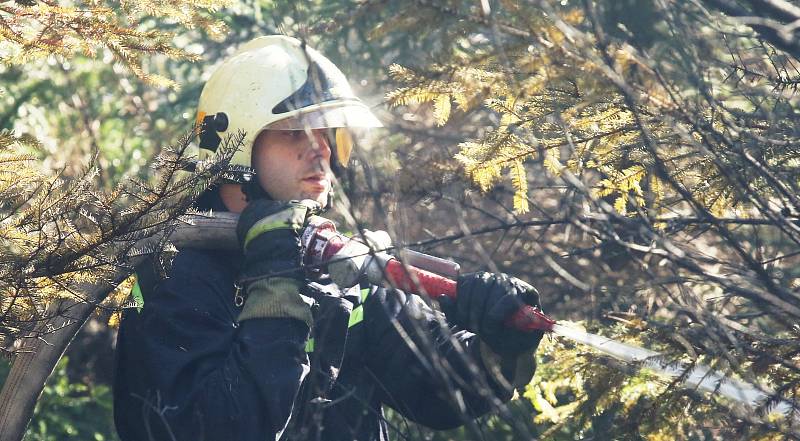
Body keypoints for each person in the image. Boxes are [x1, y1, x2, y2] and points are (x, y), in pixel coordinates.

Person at [113, 35, 545, 441]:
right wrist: (275, 283)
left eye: (326, 133)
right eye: (294, 132)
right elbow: (220, 427)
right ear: (237, 144)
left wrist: (499, 343)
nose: (320, 151)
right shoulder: (178, 271)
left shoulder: (335, 264)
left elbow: (438, 397)